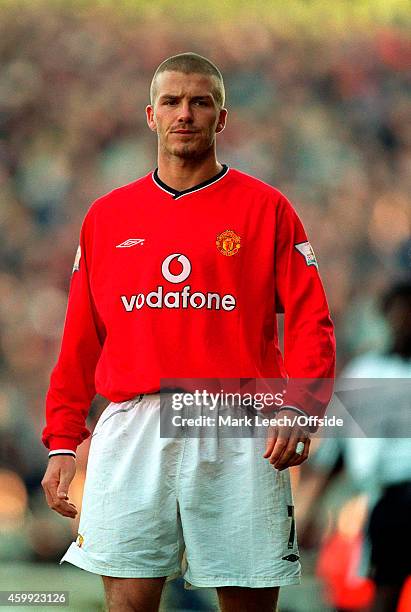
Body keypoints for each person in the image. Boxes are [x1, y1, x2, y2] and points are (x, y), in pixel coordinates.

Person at [41, 52, 336, 612]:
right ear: (150, 114)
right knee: (128, 603)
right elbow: (80, 338)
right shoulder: (107, 217)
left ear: (221, 118)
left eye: (201, 102)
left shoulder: (267, 209)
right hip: (135, 424)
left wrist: (301, 407)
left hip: (236, 418)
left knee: (248, 602)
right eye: (172, 102)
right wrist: (62, 441)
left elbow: (310, 321)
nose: (186, 114)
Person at [295, 279, 411, 612]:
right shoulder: (365, 371)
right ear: (386, 316)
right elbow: (337, 451)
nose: (404, 322)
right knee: (384, 590)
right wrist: (312, 509)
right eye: (399, 313)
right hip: (388, 501)